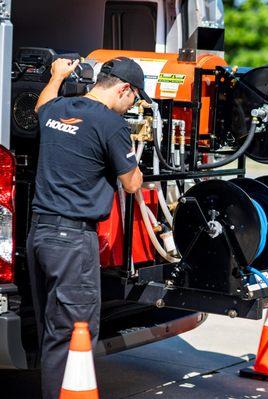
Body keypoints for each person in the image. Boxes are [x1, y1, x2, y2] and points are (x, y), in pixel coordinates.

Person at [27, 56, 149, 399]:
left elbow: (41, 105)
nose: (132, 106)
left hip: (40, 235)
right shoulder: (112, 125)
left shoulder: (58, 108)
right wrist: (133, 151)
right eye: (135, 99)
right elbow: (131, 184)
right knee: (76, 331)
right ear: (125, 88)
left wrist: (56, 76)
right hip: (72, 241)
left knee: (55, 333)